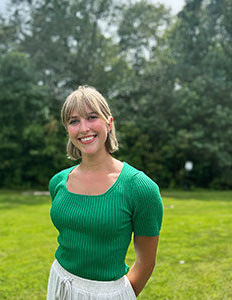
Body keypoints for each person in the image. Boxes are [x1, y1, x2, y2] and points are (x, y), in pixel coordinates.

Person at [47, 85, 163, 300]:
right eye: (73, 121)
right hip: (59, 282)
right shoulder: (58, 182)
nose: (83, 128)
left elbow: (146, 262)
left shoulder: (141, 189)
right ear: (67, 130)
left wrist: (118, 295)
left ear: (109, 122)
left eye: (92, 117)